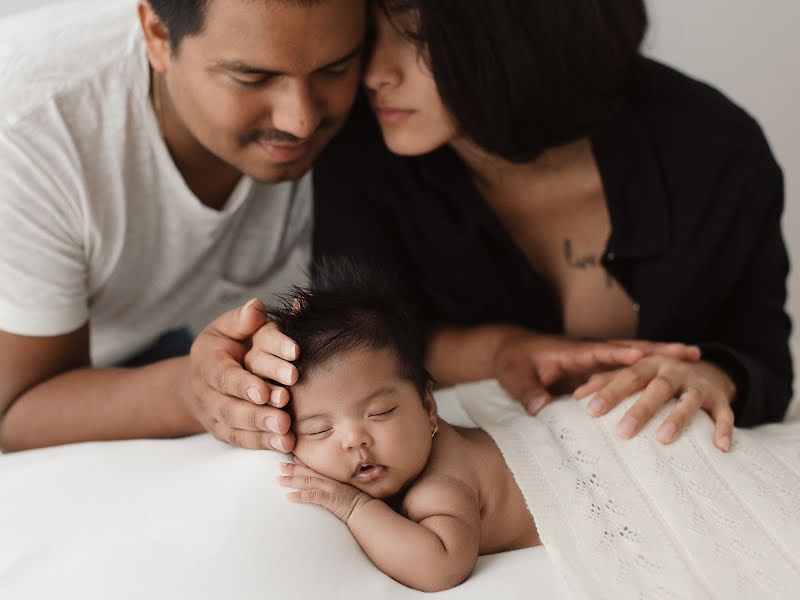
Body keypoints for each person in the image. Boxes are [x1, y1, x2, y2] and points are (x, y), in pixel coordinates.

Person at [312, 0, 793, 451]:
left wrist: (711, 376)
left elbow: (763, 361)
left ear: (521, 27)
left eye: (418, 38)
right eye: (370, 35)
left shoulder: (715, 155)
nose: (375, 75)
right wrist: (498, 352)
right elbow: (349, 348)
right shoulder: (357, 148)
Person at [0, 0, 366, 451]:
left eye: (335, 68)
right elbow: (13, 414)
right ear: (157, 35)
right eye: (253, 78)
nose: (300, 120)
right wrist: (191, 393)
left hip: (164, 333)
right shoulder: (26, 135)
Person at [272, 259, 539, 593]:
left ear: (428, 407)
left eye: (379, 412)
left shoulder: (441, 484)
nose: (354, 439)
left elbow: (441, 567)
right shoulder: (405, 458)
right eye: (319, 430)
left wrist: (355, 507)